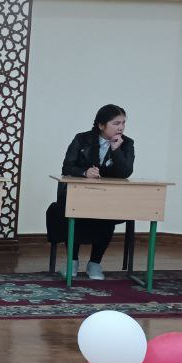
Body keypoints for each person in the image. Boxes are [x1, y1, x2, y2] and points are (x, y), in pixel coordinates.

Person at [56, 104, 134, 280]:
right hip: (80, 194)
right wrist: (84, 172)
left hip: (108, 197)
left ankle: (95, 263)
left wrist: (116, 150)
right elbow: (67, 167)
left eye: (123, 123)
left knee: (107, 217)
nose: (121, 127)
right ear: (101, 125)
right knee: (72, 213)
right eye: (116, 123)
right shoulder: (82, 139)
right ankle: (72, 261)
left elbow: (125, 173)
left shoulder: (127, 143)